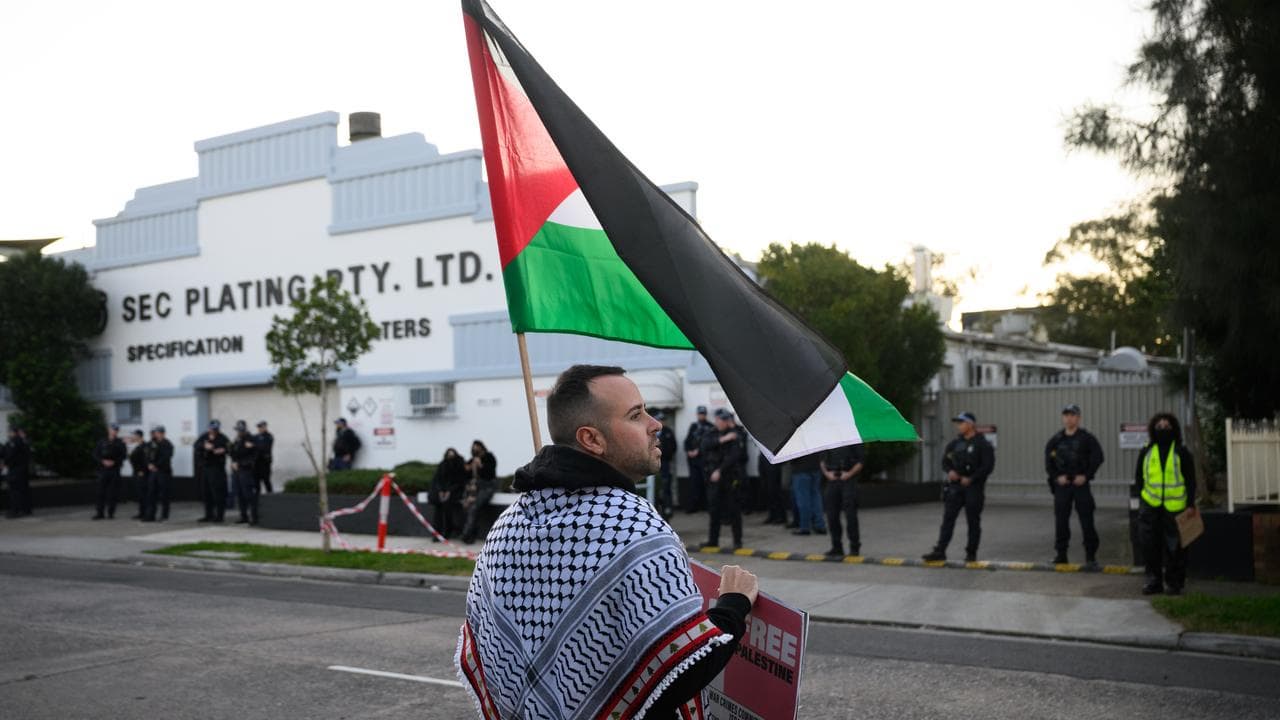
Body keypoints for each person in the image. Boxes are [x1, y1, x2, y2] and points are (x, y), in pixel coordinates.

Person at [456, 365, 758, 719]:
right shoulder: (631, 521)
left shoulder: (507, 523)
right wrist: (733, 607)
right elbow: (681, 668)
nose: (655, 423)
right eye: (635, 415)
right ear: (592, 439)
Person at [1135, 412, 1196, 596]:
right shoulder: (1146, 450)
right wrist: (1143, 499)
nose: (1162, 429)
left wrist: (1191, 503)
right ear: (1153, 428)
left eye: (1166, 426)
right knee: (1149, 545)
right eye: (1159, 426)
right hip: (1150, 505)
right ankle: (1154, 581)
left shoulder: (1181, 451)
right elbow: (1139, 477)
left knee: (1175, 547)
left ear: (1174, 429)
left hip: (1175, 507)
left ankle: (1174, 583)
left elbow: (1190, 479)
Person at [923, 412, 995, 563]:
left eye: (961, 423)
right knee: (948, 519)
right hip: (955, 487)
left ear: (970, 424)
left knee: (973, 521)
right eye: (958, 423)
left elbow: (987, 466)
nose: (959, 426)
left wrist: (972, 478)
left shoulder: (983, 444)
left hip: (973, 488)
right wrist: (950, 472)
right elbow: (945, 462)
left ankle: (971, 553)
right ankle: (940, 551)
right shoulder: (954, 444)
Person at [1044, 403, 1105, 566]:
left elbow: (1098, 457)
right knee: (1061, 521)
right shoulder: (1056, 440)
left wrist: (1086, 476)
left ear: (1078, 418)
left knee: (1087, 520)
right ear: (1062, 417)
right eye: (1066, 415)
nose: (1069, 418)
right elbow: (1048, 464)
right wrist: (1057, 477)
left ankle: (1091, 556)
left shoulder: (1087, 438)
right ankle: (1061, 554)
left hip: (1080, 486)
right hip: (1062, 487)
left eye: (1072, 415)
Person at [702, 408, 745, 550]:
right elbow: (705, 446)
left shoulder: (735, 434)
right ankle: (713, 540)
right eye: (721, 420)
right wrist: (723, 440)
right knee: (714, 510)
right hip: (714, 478)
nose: (723, 423)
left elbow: (735, 455)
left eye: (726, 420)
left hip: (729, 477)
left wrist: (720, 470)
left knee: (734, 511)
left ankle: (737, 541)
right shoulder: (711, 433)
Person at [821, 443, 866, 557]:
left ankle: (854, 546)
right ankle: (836, 546)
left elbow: (861, 461)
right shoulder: (829, 439)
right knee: (831, 515)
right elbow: (821, 460)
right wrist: (827, 473)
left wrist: (849, 474)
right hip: (832, 479)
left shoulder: (854, 439)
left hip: (849, 480)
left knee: (850, 515)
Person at [460, 439, 497, 544]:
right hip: (474, 488)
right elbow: (466, 474)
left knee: (474, 507)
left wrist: (480, 466)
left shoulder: (489, 457)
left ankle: (467, 534)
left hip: (486, 487)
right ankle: (470, 534)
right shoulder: (472, 460)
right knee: (467, 507)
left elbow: (490, 474)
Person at [429, 447, 467, 539]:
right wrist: (441, 491)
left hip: (455, 493)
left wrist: (449, 491)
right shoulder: (442, 465)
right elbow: (438, 479)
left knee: (447, 508)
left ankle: (447, 531)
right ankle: (437, 533)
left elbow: (460, 481)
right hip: (441, 494)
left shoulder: (459, 466)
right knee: (438, 511)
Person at [92, 423, 128, 520]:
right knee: (100, 492)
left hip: (115, 470)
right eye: (113, 429)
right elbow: (95, 454)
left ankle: (111, 514)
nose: (114, 431)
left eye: (116, 430)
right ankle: (100, 513)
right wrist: (102, 461)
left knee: (112, 493)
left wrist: (114, 462)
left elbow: (124, 456)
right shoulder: (101, 441)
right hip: (103, 470)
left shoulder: (120, 442)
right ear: (109, 430)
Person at [682, 406, 714, 512]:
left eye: (703, 414)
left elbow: (709, 444)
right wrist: (688, 451)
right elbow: (687, 441)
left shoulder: (710, 427)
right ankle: (694, 506)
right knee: (694, 483)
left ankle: (707, 506)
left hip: (705, 460)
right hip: (693, 461)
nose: (701, 416)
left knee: (706, 483)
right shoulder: (694, 426)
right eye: (700, 414)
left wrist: (698, 451)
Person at [198, 420, 230, 523]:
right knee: (206, 492)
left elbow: (230, 448)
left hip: (217, 468)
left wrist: (220, 449)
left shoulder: (223, 438)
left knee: (217, 492)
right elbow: (196, 445)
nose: (212, 431)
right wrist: (204, 446)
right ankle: (208, 515)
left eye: (215, 429)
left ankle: (220, 516)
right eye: (211, 429)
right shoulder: (204, 436)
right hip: (206, 468)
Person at [789, 450, 826, 537]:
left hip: (800, 469)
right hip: (815, 467)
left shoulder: (795, 438)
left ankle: (805, 527)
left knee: (803, 500)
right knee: (816, 497)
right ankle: (820, 525)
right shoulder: (814, 436)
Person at [229, 420, 259, 525]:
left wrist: (241, 464)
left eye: (241, 430)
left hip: (246, 470)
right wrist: (233, 462)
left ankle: (254, 517)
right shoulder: (237, 440)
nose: (239, 432)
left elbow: (253, 457)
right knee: (239, 494)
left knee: (248, 494)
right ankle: (243, 516)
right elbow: (232, 453)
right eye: (238, 430)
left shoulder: (251, 439)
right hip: (236, 470)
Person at [146, 425, 174, 522]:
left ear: (163, 433)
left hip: (163, 472)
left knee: (164, 495)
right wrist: (149, 464)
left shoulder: (167, 444)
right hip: (153, 472)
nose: (157, 435)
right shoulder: (152, 443)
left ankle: (164, 515)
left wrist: (156, 465)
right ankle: (150, 515)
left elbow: (166, 457)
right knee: (151, 494)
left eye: (159, 433)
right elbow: (147, 455)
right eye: (156, 433)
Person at [3, 425, 32, 518]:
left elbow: (11, 455)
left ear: (13, 432)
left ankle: (15, 511)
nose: (8, 433)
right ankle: (23, 510)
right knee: (21, 491)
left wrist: (5, 462)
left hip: (16, 470)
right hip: (20, 469)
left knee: (15, 491)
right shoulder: (21, 441)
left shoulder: (15, 441)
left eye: (9, 432)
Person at [655, 410, 678, 517]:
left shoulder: (668, 431)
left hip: (665, 463)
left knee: (666, 486)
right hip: (654, 463)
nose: (662, 422)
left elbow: (673, 447)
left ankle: (668, 508)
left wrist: (665, 455)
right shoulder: (652, 432)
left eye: (663, 420)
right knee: (656, 486)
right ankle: (655, 507)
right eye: (660, 419)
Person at [759, 452, 789, 525]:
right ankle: (772, 515)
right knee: (768, 491)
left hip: (773, 463)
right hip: (765, 462)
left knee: (775, 491)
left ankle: (781, 516)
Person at [127, 430, 148, 519]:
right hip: (136, 472)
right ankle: (141, 512)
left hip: (142, 473)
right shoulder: (136, 446)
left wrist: (142, 470)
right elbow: (132, 458)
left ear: (139, 436)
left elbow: (146, 460)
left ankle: (145, 512)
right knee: (139, 494)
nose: (132, 437)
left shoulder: (144, 446)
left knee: (143, 493)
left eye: (134, 435)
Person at [253, 420, 274, 494]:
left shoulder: (269, 436)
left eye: (261, 427)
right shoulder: (255, 436)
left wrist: (254, 446)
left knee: (266, 480)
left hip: (265, 462)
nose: (259, 429)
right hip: (256, 463)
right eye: (258, 427)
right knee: (256, 481)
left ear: (265, 427)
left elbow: (264, 447)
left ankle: (271, 496)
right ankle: (257, 498)